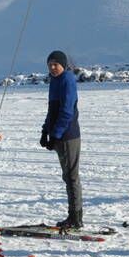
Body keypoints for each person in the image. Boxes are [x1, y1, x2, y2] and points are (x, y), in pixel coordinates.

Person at [39, 50, 84, 229]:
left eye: (55, 64)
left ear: (63, 65)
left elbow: (66, 111)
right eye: (49, 65)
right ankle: (73, 215)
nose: (52, 68)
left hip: (68, 135)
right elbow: (52, 111)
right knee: (68, 176)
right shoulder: (55, 81)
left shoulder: (67, 80)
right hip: (58, 135)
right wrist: (45, 131)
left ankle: (76, 217)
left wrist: (55, 134)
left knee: (72, 176)